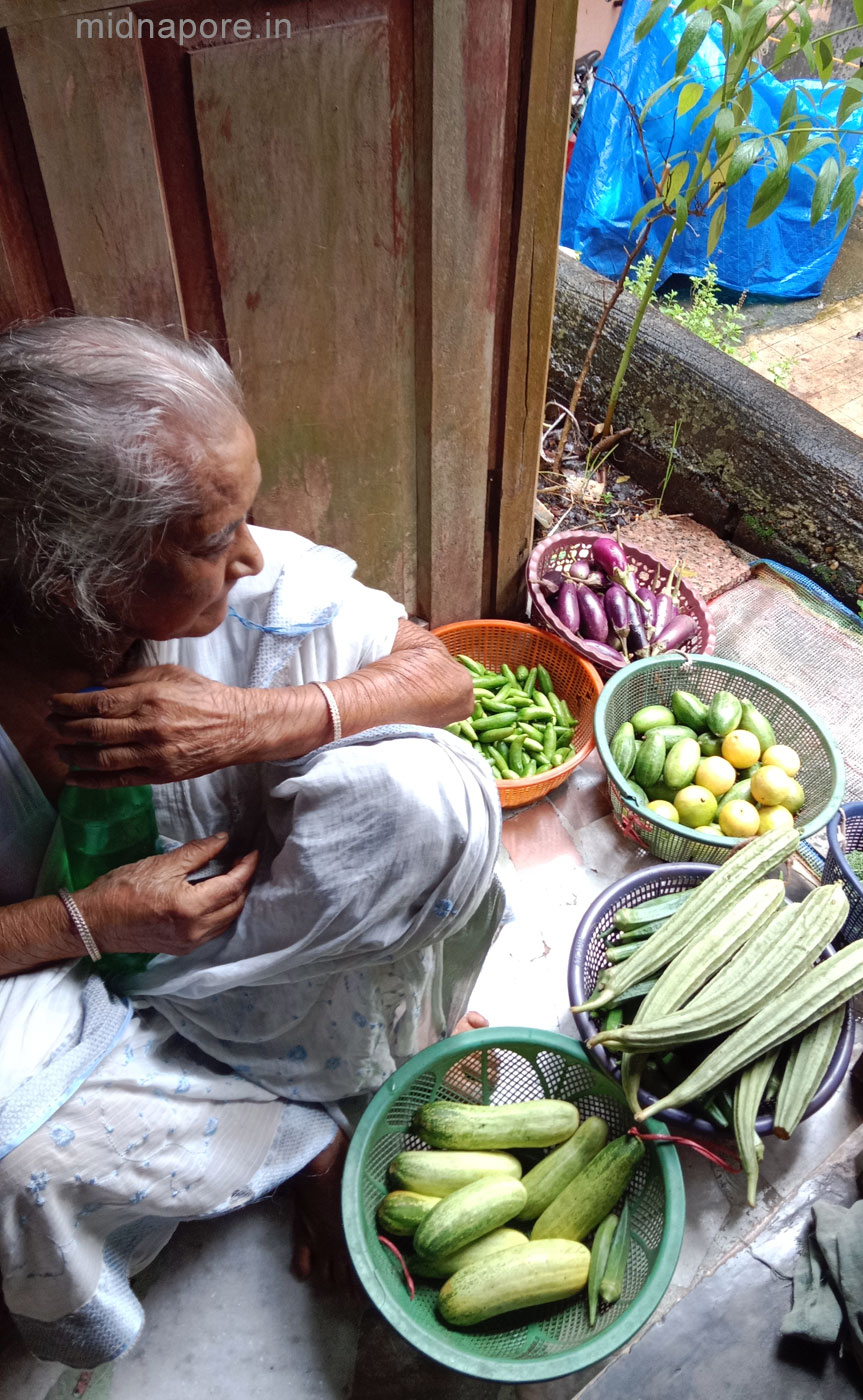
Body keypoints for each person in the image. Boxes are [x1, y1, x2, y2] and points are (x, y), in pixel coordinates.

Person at [0, 316, 503, 1367]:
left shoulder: (263, 594)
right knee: (11, 1156)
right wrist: (88, 921)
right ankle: (314, 1127)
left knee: (424, 804)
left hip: (255, 953)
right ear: (77, 583)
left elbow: (445, 680)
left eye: (246, 513)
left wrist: (254, 721)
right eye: (207, 539)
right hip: (66, 978)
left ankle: (330, 1069)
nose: (252, 552)